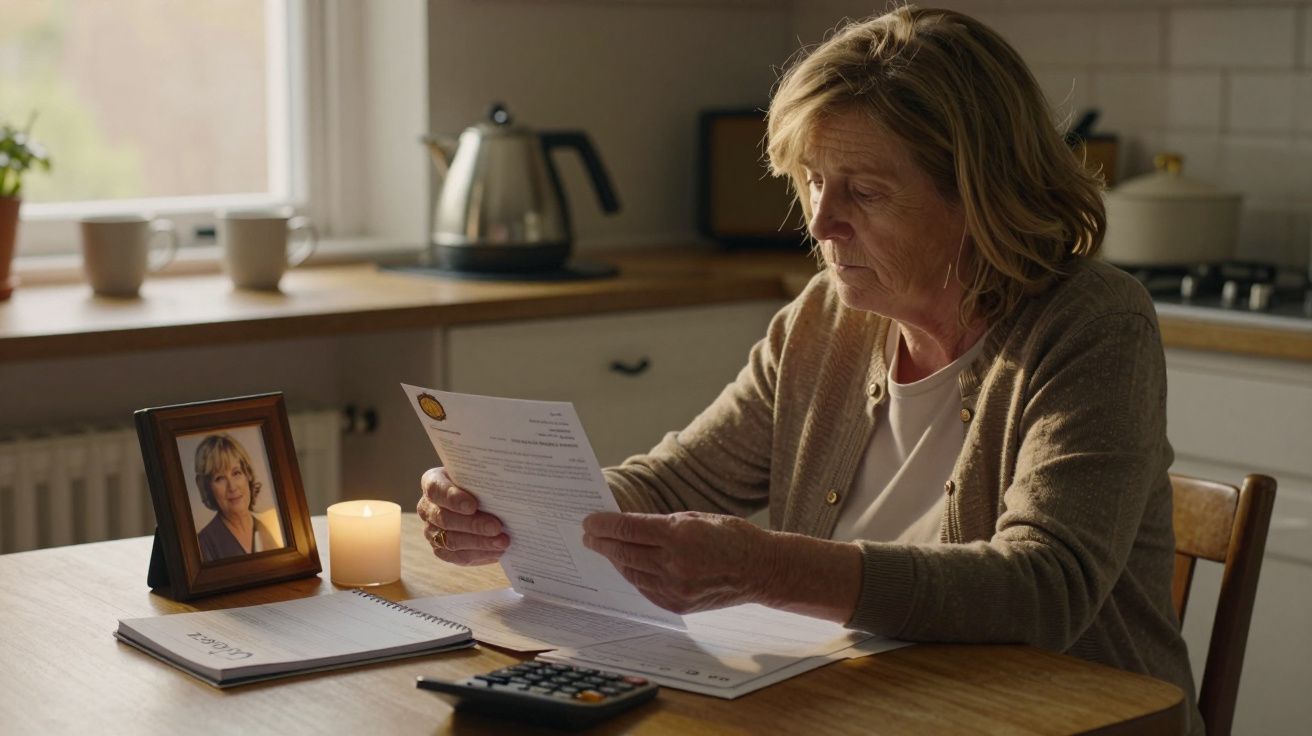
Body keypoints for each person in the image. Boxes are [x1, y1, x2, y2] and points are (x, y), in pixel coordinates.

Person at [417, 6, 1201, 732]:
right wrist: (513, 509)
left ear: (979, 195)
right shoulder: (826, 319)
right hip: (873, 706)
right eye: (815, 181)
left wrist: (766, 567)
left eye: (863, 190)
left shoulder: (1093, 321)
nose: (822, 222)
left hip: (1061, 716)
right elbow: (674, 482)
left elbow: (1044, 589)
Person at [194, 433, 280, 562]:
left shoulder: (270, 527)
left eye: (236, 473)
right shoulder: (203, 544)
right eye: (219, 478)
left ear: (248, 475)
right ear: (207, 488)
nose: (232, 487)